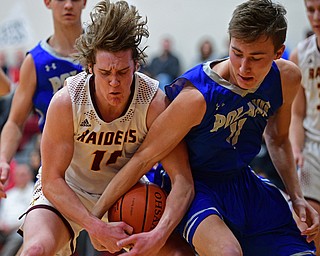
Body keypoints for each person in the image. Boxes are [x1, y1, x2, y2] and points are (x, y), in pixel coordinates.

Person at [93, 0, 320, 255]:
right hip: (195, 186)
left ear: (278, 52)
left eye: (256, 58)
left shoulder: (286, 78)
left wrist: (297, 195)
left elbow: (278, 139)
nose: (244, 67)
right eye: (237, 53)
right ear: (229, 42)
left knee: (308, 247)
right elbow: (145, 157)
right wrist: (94, 220)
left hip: (241, 180)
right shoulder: (196, 97)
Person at [17, 1, 194, 255]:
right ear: (90, 67)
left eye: (123, 72)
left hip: (126, 194)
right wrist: (93, 225)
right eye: (104, 72)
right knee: (35, 249)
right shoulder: (67, 101)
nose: (114, 82)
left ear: (136, 64)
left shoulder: (154, 102)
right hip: (69, 189)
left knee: (179, 253)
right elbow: (52, 180)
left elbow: (183, 181)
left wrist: (159, 235)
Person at [0, 0, 86, 198]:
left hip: (104, 160)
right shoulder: (35, 61)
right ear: (47, 2)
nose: (68, 5)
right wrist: (3, 158)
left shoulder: (102, 53)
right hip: (56, 170)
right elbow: (15, 122)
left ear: (84, 2)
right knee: (37, 229)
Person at [289, 0, 320, 254]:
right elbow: (297, 113)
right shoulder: (301, 54)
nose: (316, 16)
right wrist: (295, 148)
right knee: (310, 224)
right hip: (312, 149)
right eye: (310, 10)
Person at [0, 163, 34, 256]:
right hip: (4, 229)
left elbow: (31, 217)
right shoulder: (9, 194)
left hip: (22, 229)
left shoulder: (34, 192)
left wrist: (12, 226)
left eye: (23, 174)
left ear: (30, 176)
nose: (20, 177)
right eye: (17, 175)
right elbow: (2, 214)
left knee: (18, 237)